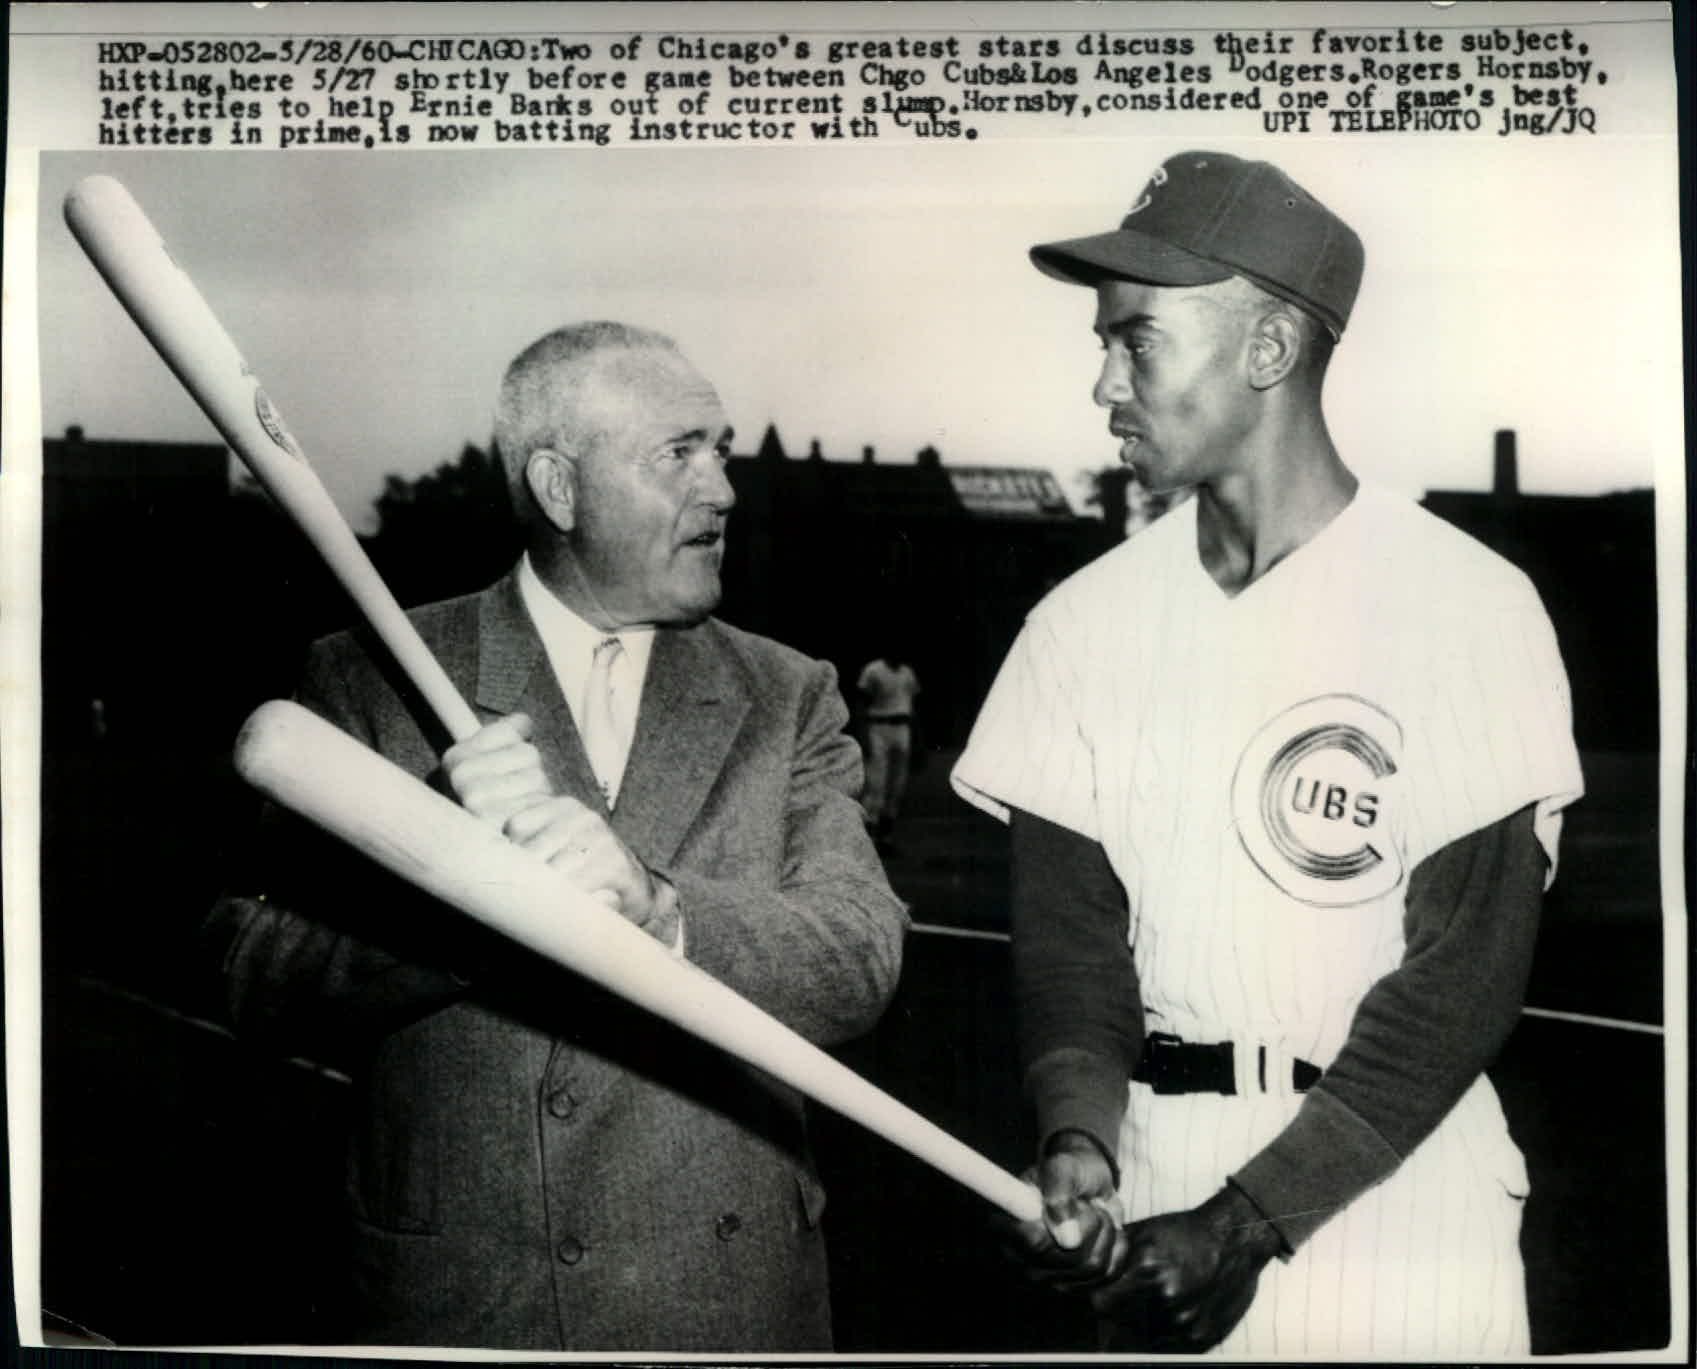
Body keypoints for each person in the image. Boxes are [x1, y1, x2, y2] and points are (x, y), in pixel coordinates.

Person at [952, 151, 1583, 1356]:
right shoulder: (1077, 626)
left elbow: (1461, 981)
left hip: (1392, 1195)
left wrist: (1248, 1221)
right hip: (1153, 1198)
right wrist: (1075, 1137)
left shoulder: (1466, 602)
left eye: (1136, 341)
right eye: (1101, 341)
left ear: (1267, 350)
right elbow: (1072, 952)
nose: (1101, 383)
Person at [205, 322, 908, 1352]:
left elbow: (857, 953)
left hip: (724, 1304)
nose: (720, 489)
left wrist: (662, 911)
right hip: (463, 1304)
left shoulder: (785, 693)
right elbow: (247, 972)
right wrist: (446, 879)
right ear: (558, 487)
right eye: (678, 453)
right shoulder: (370, 676)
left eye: (720, 448)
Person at [856, 646, 921, 849]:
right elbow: (861, 703)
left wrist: (919, 740)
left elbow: (913, 706)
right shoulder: (873, 670)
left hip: (902, 728)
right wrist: (864, 735)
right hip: (879, 727)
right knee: (876, 783)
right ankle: (868, 839)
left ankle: (885, 837)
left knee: (897, 785)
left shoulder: (907, 673)